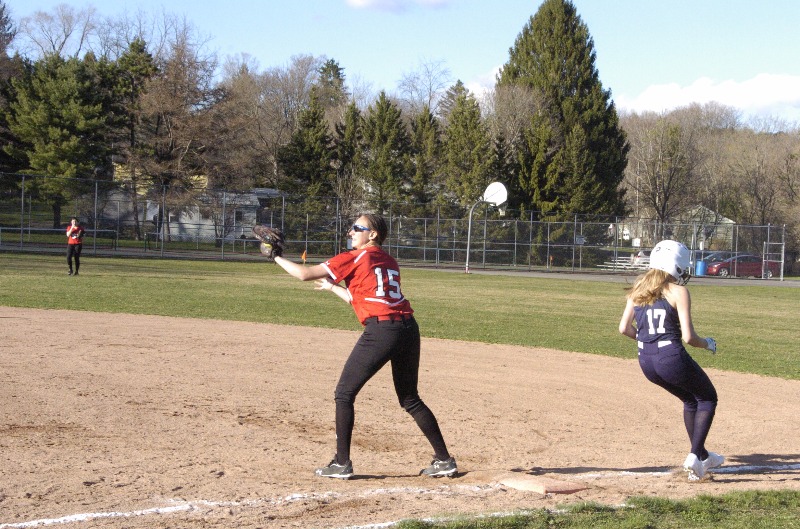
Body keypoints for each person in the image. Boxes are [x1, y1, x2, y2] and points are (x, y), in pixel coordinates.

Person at [272, 213, 456, 479]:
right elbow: (368, 298)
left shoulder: (355, 257)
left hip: (382, 331)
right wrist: (333, 287)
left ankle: (341, 463)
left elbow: (304, 274)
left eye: (357, 228)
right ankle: (444, 460)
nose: (351, 232)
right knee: (410, 398)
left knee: (344, 393)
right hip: (407, 329)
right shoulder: (388, 260)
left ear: (372, 234)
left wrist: (275, 257)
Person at [618, 240, 724, 481]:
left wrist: (647, 341)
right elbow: (688, 337)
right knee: (707, 397)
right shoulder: (678, 291)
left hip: (645, 360)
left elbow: (624, 328)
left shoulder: (638, 290)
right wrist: (707, 342)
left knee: (690, 399)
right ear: (676, 266)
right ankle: (695, 456)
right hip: (670, 357)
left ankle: (703, 455)